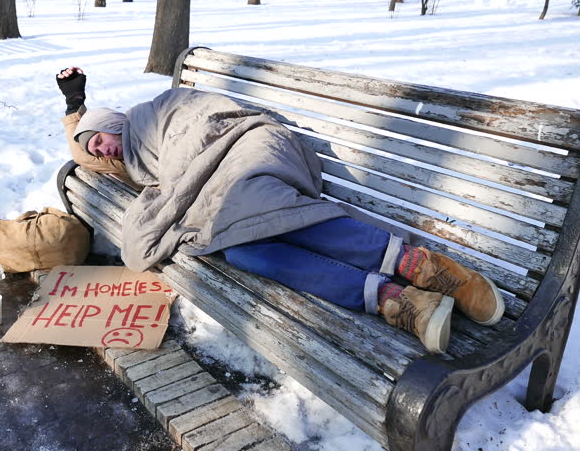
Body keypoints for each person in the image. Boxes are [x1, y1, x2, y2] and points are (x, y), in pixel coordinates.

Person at [56, 67, 504, 354]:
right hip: (209, 176)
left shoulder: (154, 111)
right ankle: (398, 301)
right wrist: (74, 107)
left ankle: (425, 266)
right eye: (96, 147)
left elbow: (204, 123)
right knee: (242, 251)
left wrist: (180, 183)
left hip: (248, 145)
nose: (101, 147)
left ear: (113, 123)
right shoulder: (135, 160)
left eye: (100, 136)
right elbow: (83, 157)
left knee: (250, 203)